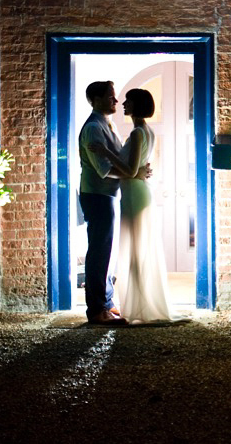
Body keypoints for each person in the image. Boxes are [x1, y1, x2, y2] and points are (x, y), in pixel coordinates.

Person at [89, 87, 174, 324]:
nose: (123, 104)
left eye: (128, 101)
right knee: (139, 249)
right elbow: (138, 169)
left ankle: (140, 306)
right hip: (136, 191)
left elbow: (130, 170)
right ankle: (139, 303)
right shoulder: (148, 131)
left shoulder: (138, 133)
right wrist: (137, 172)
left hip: (135, 194)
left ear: (136, 105)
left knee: (136, 250)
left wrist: (106, 151)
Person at [78, 80, 149, 326]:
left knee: (106, 250)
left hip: (109, 195)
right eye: (111, 96)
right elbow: (103, 170)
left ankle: (107, 302)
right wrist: (134, 174)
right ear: (95, 100)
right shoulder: (94, 129)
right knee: (98, 251)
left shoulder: (107, 125)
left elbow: (120, 159)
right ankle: (96, 310)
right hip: (97, 195)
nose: (116, 101)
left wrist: (134, 171)